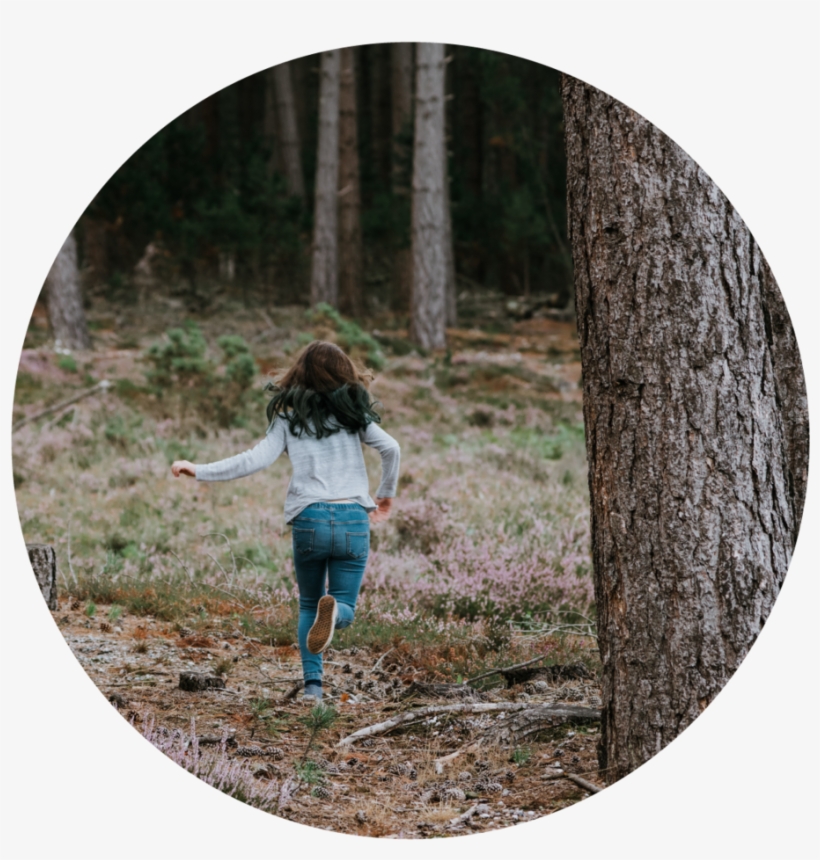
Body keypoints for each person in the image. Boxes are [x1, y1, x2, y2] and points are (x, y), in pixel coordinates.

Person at [171, 341, 400, 702]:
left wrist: (197, 469)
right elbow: (392, 449)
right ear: (345, 374)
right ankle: (336, 610)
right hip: (353, 516)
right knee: (345, 607)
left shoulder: (289, 418)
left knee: (309, 603)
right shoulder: (354, 416)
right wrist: (385, 494)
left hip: (309, 518)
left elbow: (253, 459)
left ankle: (313, 689)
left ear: (299, 375)